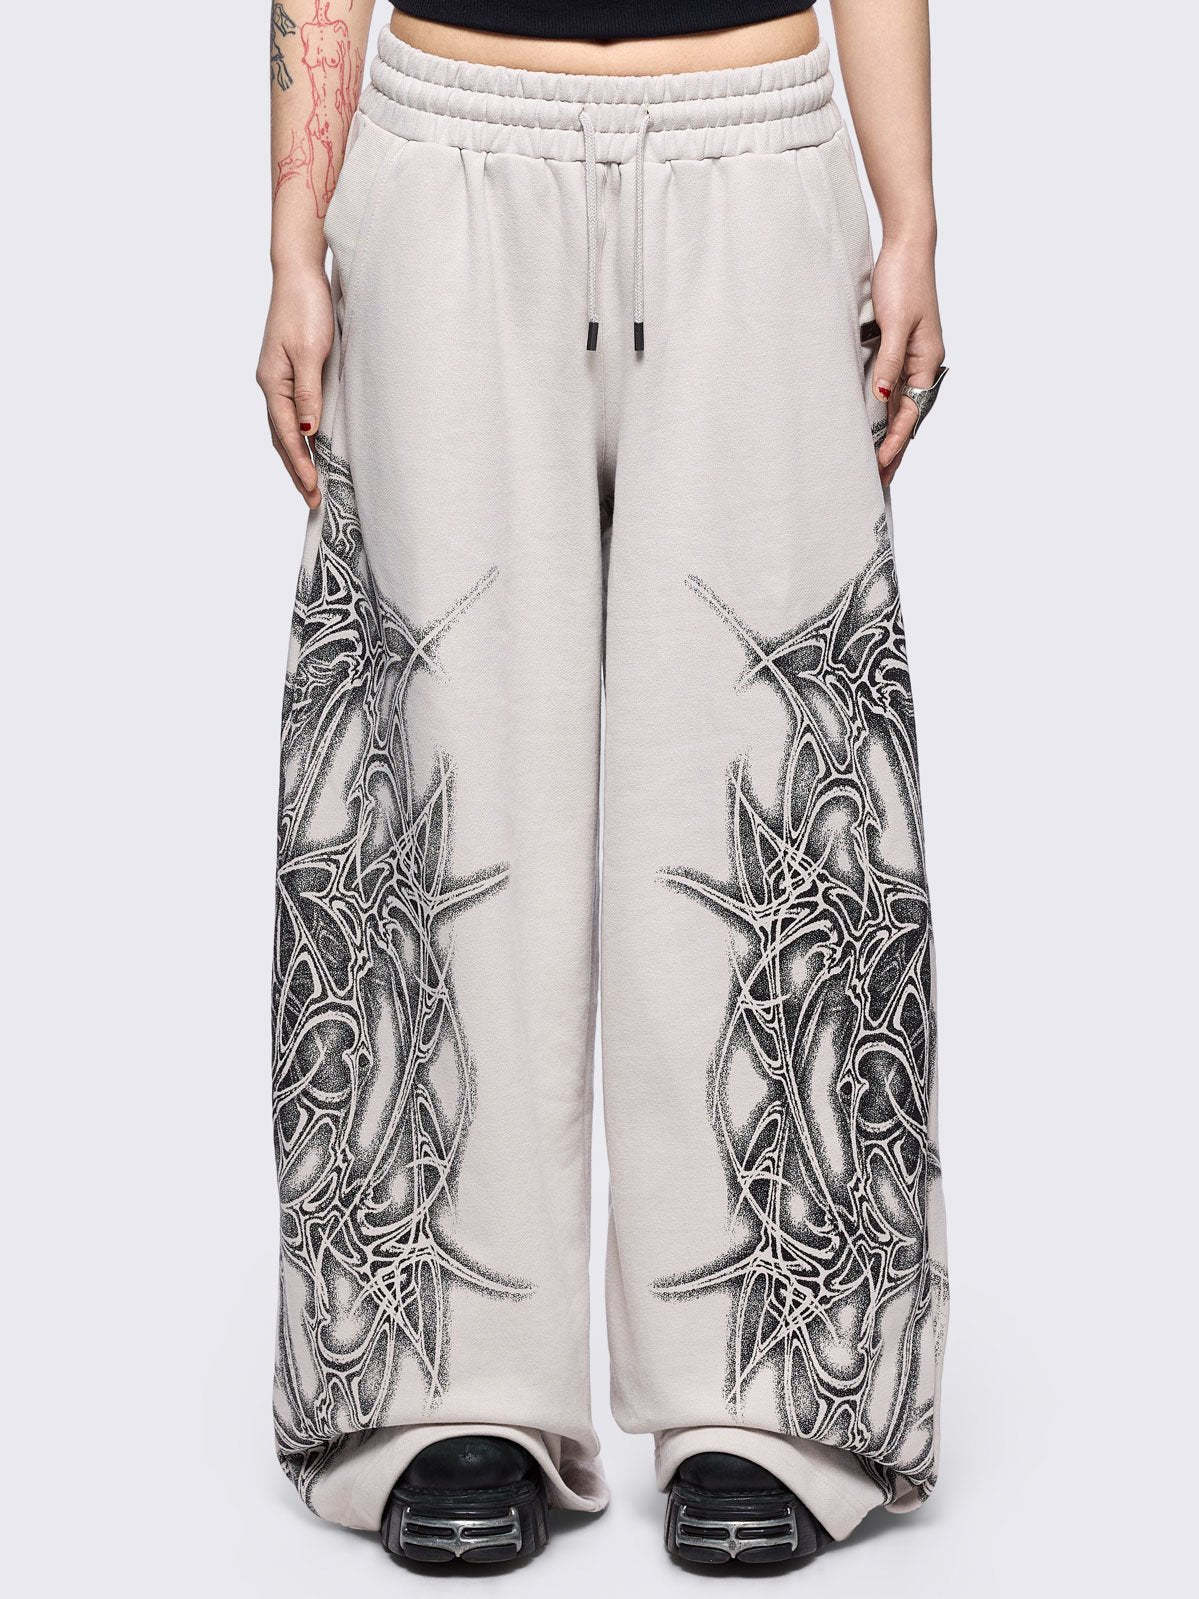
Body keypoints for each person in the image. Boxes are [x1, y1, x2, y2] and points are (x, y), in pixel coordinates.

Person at [259, 0, 949, 1571]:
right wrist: (294, 232)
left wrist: (911, 209)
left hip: (755, 142)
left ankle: (776, 1392)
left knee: (767, 771)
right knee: (438, 768)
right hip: (446, 138)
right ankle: (444, 1389)